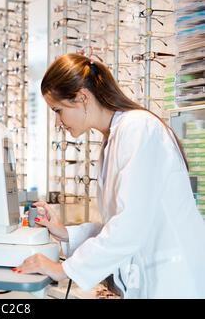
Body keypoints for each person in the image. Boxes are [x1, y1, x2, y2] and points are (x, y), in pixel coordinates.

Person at [15, 53, 205, 298]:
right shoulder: (114, 137)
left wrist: (63, 269)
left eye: (58, 110)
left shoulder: (138, 128)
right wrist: (66, 233)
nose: (58, 122)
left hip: (175, 280)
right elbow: (119, 223)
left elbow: (130, 223)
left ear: (82, 98)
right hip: (154, 278)